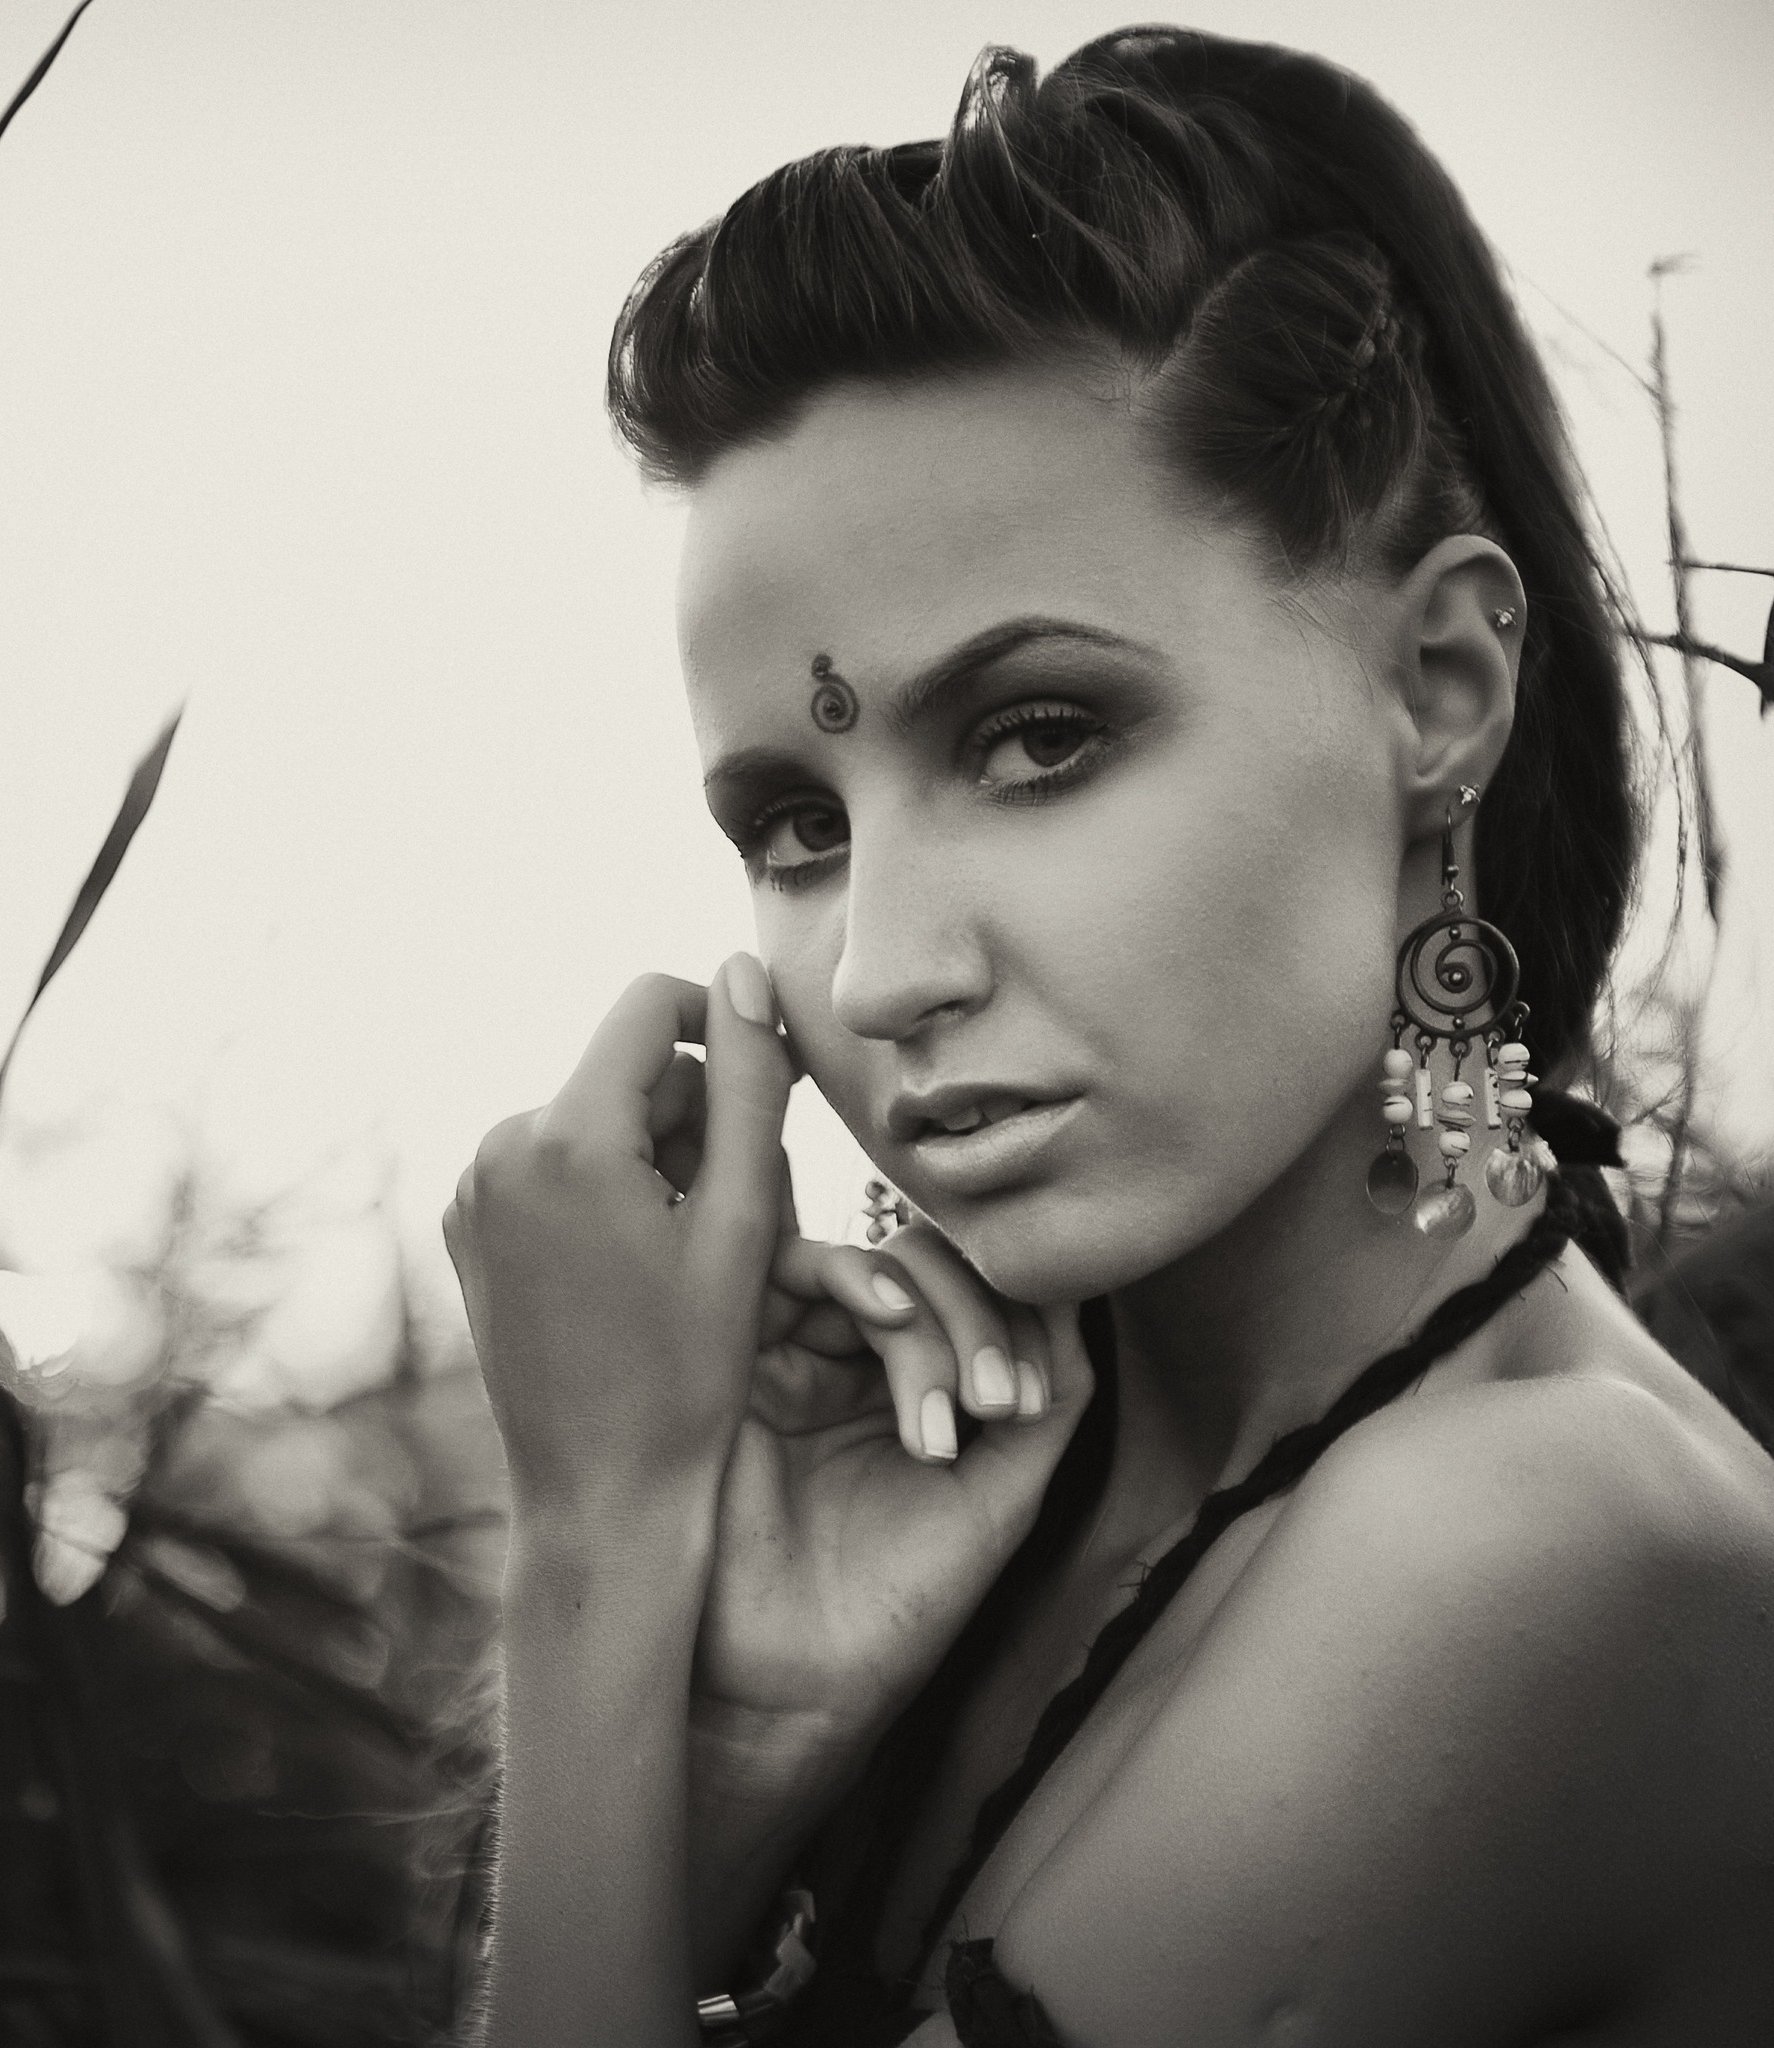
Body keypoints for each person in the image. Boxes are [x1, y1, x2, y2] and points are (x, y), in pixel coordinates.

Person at [442, 27, 1774, 2046]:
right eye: (796, 827)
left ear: (1434, 690)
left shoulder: (1545, 1547)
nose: (877, 972)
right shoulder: (1001, 1514)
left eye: (1038, 738)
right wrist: (730, 1761)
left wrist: (595, 1552)